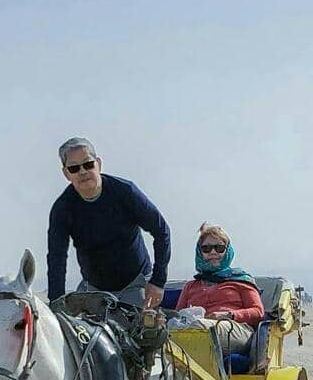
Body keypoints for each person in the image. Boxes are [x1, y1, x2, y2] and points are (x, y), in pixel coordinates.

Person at [46, 137, 171, 309]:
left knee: (143, 331)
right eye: (74, 168)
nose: (82, 172)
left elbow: (161, 231)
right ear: (66, 174)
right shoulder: (62, 209)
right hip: (94, 289)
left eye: (88, 164)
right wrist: (56, 302)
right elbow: (56, 258)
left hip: (136, 283)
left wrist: (158, 281)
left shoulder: (125, 192)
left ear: (98, 164)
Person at [175, 223, 265, 358]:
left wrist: (227, 315)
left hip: (234, 329)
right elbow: (177, 314)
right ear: (200, 252)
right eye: (206, 248)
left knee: (198, 327)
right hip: (195, 328)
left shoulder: (240, 280)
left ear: (227, 250)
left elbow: (258, 312)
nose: (213, 252)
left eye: (219, 248)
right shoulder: (191, 286)